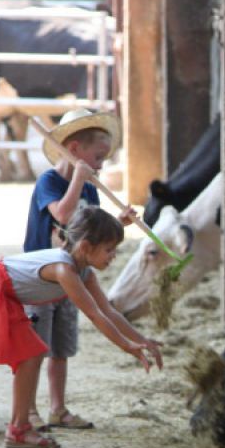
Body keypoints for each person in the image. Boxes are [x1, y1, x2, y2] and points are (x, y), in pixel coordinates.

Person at [0, 206, 162, 448]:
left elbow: (109, 310)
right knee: (12, 354)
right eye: (109, 250)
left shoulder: (84, 272)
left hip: (2, 290)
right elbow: (94, 314)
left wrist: (142, 340)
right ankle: (16, 429)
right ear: (86, 247)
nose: (114, 256)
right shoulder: (64, 270)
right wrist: (125, 345)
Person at [23, 109, 135, 431]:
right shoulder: (51, 182)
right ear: (74, 151)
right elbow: (62, 213)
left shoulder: (89, 188)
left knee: (61, 349)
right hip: (41, 277)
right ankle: (29, 410)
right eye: (98, 157)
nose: (101, 165)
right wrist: (78, 178)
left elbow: (92, 230)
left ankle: (57, 409)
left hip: (72, 275)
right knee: (35, 349)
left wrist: (119, 223)